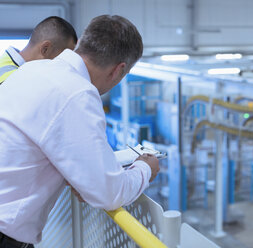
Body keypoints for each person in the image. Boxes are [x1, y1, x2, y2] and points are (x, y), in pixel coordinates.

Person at [0, 15, 159, 248]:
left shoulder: (31, 71)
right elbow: (109, 193)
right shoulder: (77, 93)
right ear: (118, 70)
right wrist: (146, 168)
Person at [0, 16, 77, 84]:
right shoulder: (10, 79)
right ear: (45, 49)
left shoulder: (11, 68)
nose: (62, 67)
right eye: (61, 58)